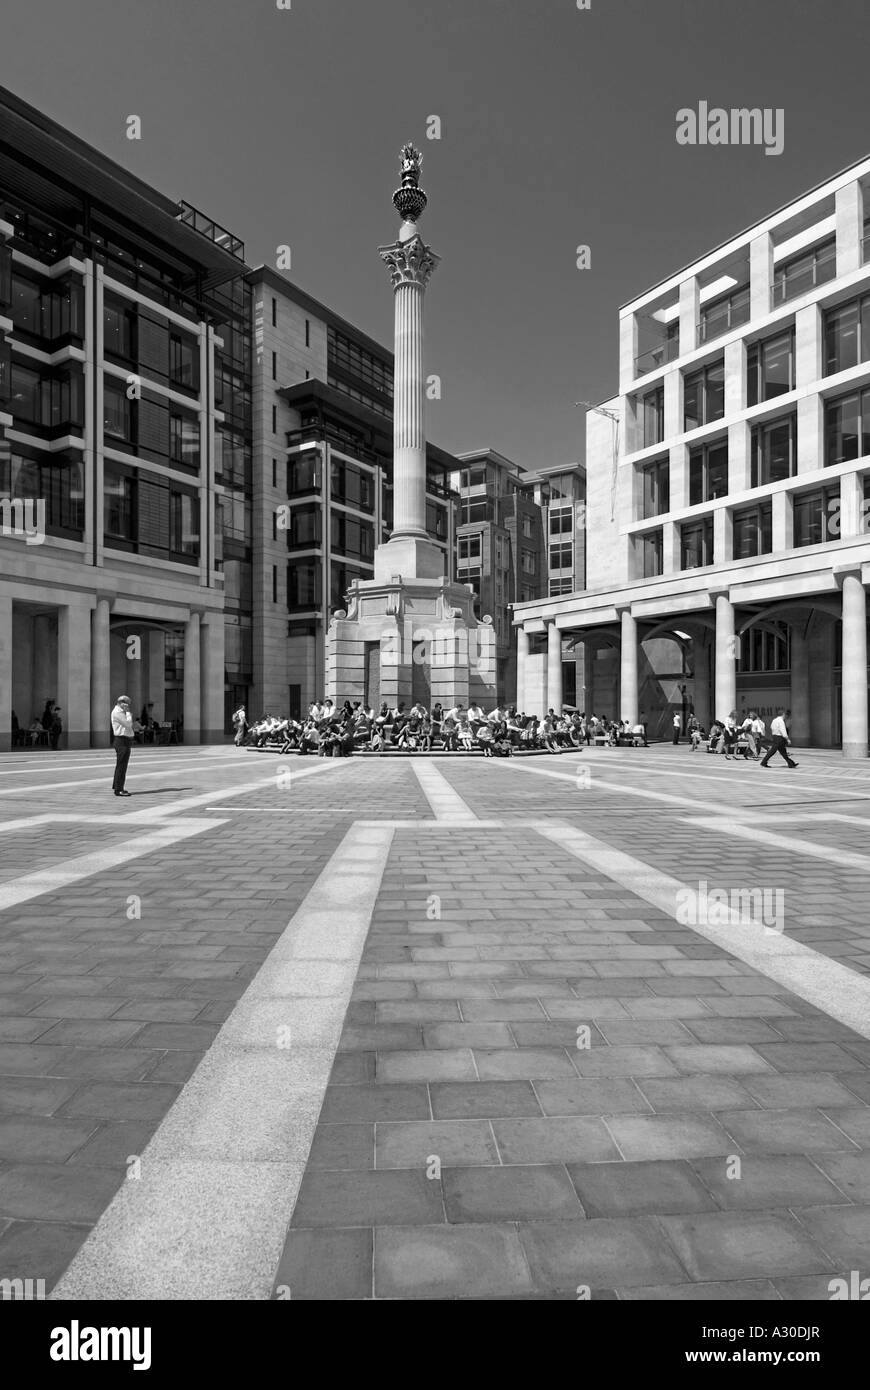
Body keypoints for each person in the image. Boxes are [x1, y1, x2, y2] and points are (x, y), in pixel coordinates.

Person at [111, 694, 134, 796]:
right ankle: (118, 789)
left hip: (125, 740)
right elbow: (128, 725)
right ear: (121, 703)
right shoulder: (117, 712)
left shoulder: (121, 712)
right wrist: (129, 713)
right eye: (127, 703)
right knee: (121, 766)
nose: (128, 706)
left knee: (122, 765)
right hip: (121, 741)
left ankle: (118, 787)